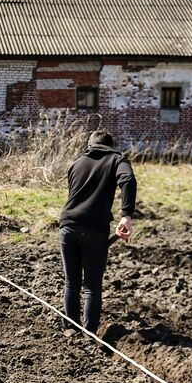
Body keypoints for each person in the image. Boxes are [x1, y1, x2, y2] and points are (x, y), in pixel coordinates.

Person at [59, 131, 135, 334]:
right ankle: (89, 333)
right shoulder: (117, 160)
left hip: (67, 226)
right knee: (92, 285)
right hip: (95, 229)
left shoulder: (77, 163)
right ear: (110, 145)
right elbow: (127, 180)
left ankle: (71, 328)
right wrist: (126, 215)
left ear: (90, 145)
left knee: (71, 281)